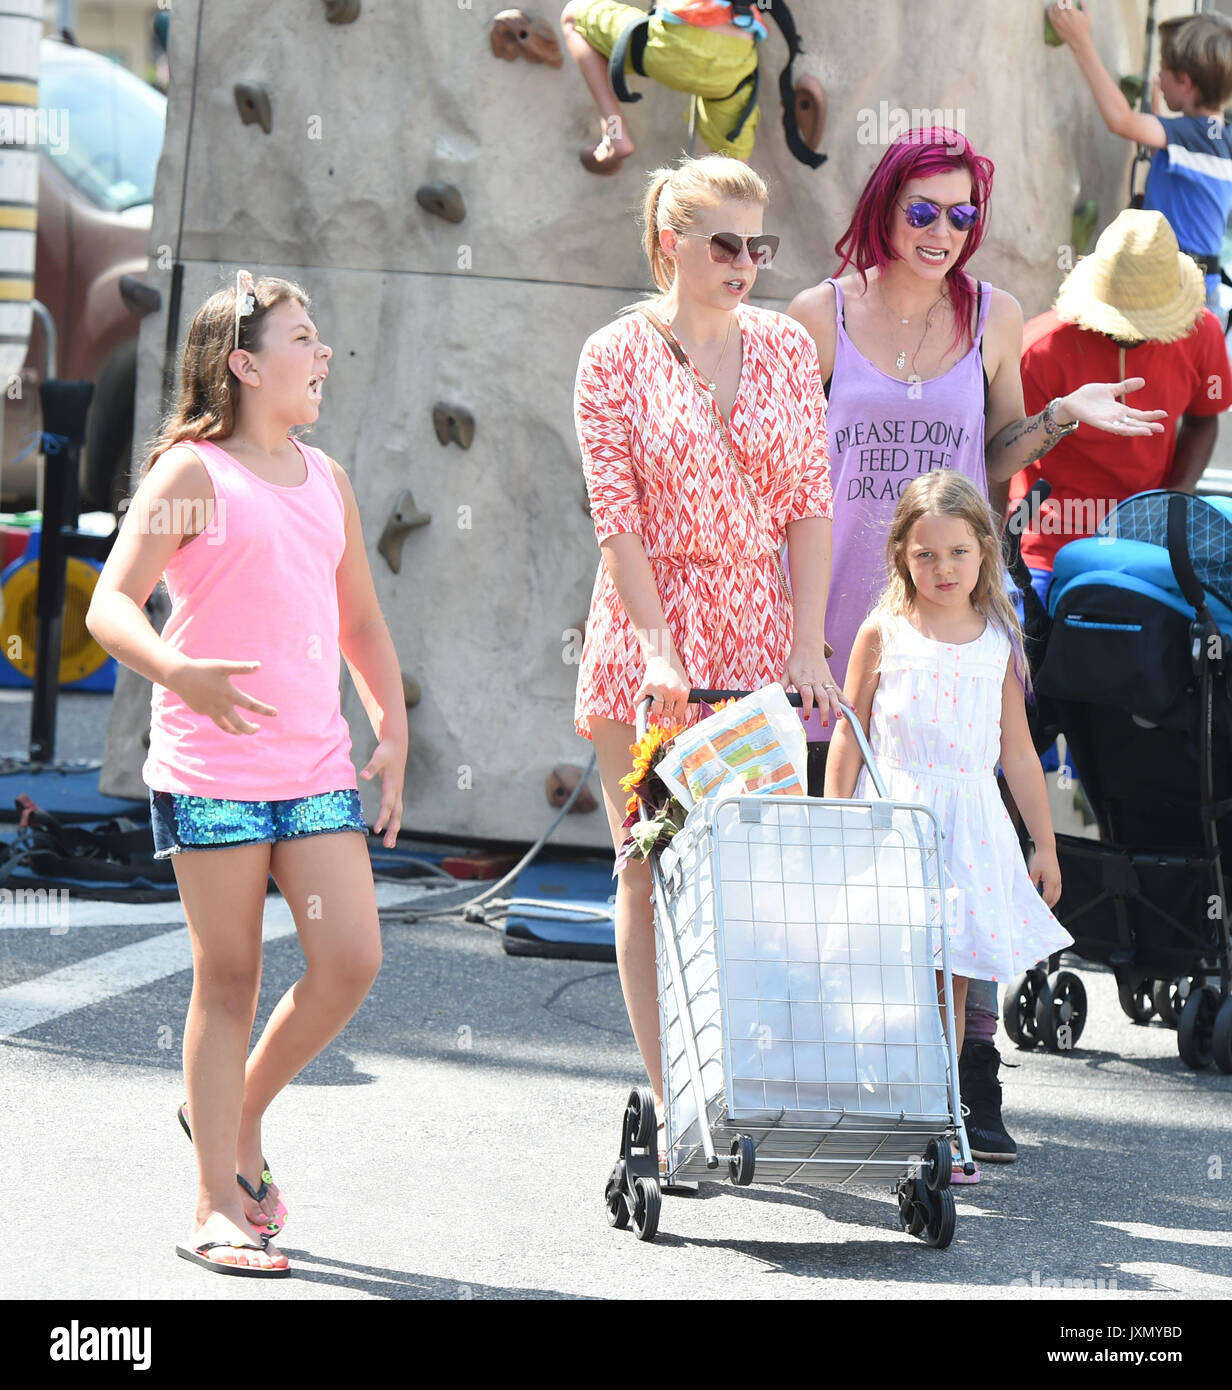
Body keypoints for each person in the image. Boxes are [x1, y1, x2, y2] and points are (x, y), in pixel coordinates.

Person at [786, 126, 1163, 1164]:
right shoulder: (817, 315)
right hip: (832, 634)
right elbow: (776, 470)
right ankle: (853, 1067)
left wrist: (1053, 418)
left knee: (967, 855)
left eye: (961, 215)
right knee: (855, 864)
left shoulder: (991, 316)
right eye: (922, 211)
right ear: (880, 210)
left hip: (956, 623)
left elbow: (993, 454)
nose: (943, 233)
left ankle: (974, 1075)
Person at [85, 273, 407, 1278]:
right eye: (303, 339)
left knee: (349, 957)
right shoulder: (191, 473)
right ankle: (213, 1202)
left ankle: (235, 1110)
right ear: (244, 362)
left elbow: (358, 620)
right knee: (228, 979)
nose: (321, 356)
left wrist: (389, 727)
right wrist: (175, 667)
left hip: (311, 763)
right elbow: (111, 604)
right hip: (211, 767)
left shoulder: (328, 479)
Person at [573, 154, 839, 1163]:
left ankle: (743, 1077)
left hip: (755, 625)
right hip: (648, 627)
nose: (744, 263)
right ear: (667, 245)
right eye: (723, 243)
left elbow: (810, 502)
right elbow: (616, 515)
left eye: (755, 245)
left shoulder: (779, 345)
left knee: (746, 872)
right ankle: (670, 1095)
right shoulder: (612, 355)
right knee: (646, 868)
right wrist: (654, 647)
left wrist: (807, 637)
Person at [823, 470, 1073, 1183]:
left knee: (952, 974)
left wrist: (1045, 843)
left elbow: (1019, 752)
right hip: (895, 818)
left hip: (969, 826)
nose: (943, 569)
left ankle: (942, 1118)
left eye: (959, 553)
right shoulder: (883, 631)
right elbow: (850, 731)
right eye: (926, 554)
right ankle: (888, 1105)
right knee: (891, 969)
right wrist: (834, 816)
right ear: (902, 552)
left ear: (985, 553)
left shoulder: (997, 641)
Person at [1011, 208, 1231, 607]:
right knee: (1031, 664)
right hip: (1045, 550)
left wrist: (1170, 503)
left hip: (1148, 549)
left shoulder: (1203, 334)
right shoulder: (1038, 348)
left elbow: (1203, 422)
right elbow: (997, 457)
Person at [1048, 1, 1232, 313]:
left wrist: (1080, 42)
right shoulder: (1219, 137)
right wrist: (1160, 113)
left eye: (1164, 68)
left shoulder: (1194, 137)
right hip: (1196, 294)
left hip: (1176, 299)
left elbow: (1121, 121)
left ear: (1186, 82)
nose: (1158, 74)